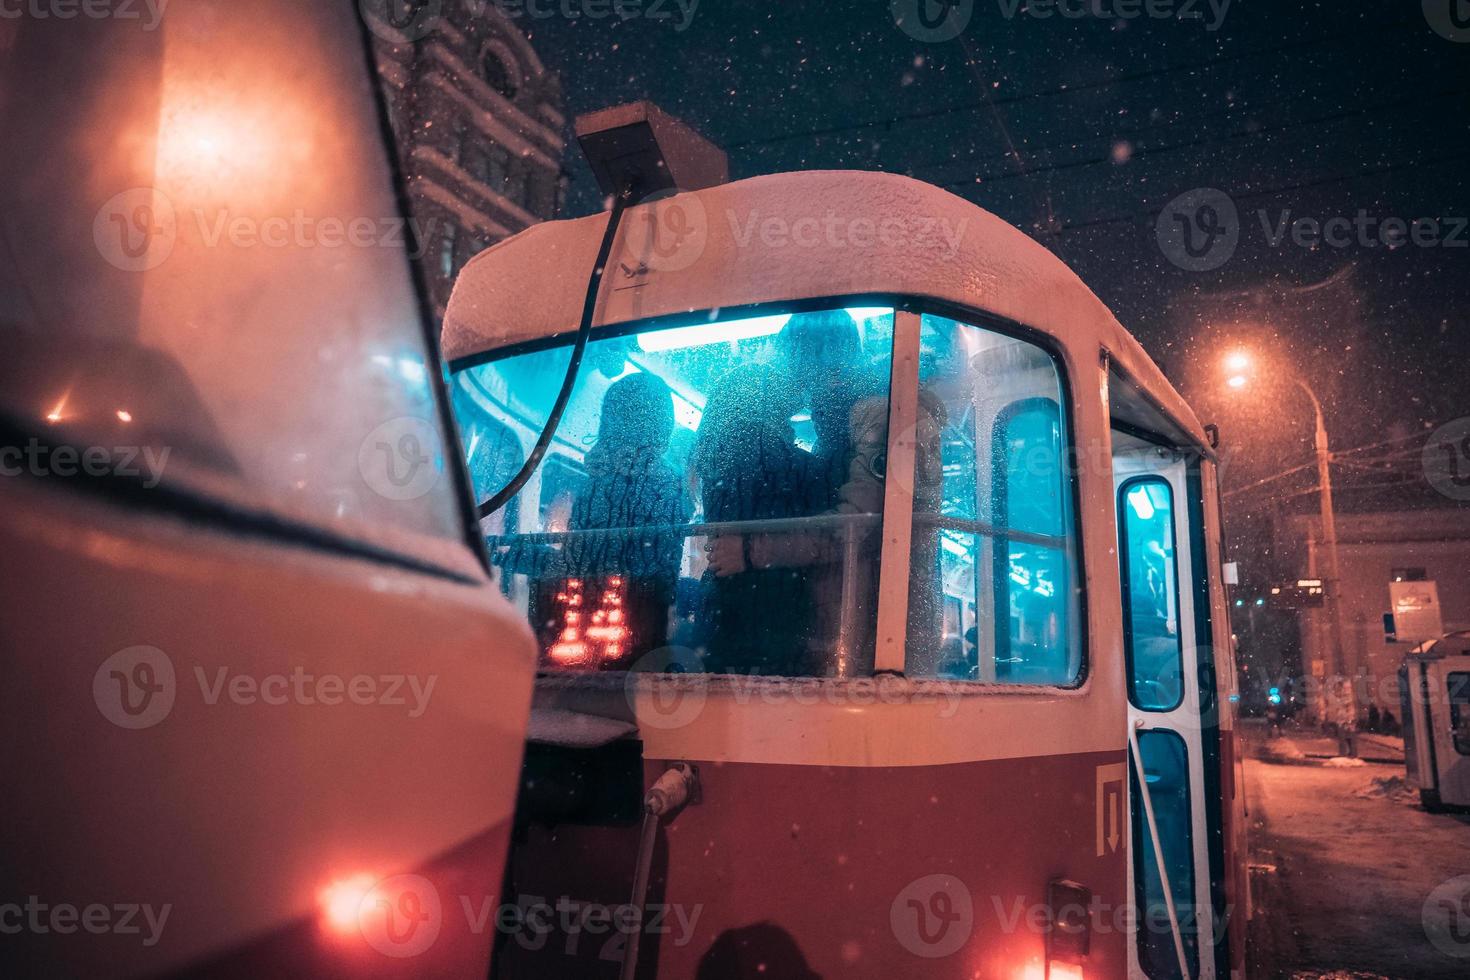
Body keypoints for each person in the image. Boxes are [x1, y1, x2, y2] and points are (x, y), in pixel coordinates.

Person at [496, 372, 690, 666]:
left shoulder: (595, 483)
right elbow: (646, 576)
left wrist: (512, 553)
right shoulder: (669, 485)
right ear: (662, 424)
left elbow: (578, 567)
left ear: (608, 421)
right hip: (634, 638)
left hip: (574, 632)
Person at [694, 365, 824, 675]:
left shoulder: (711, 458)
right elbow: (823, 535)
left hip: (721, 599)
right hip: (775, 601)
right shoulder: (791, 464)